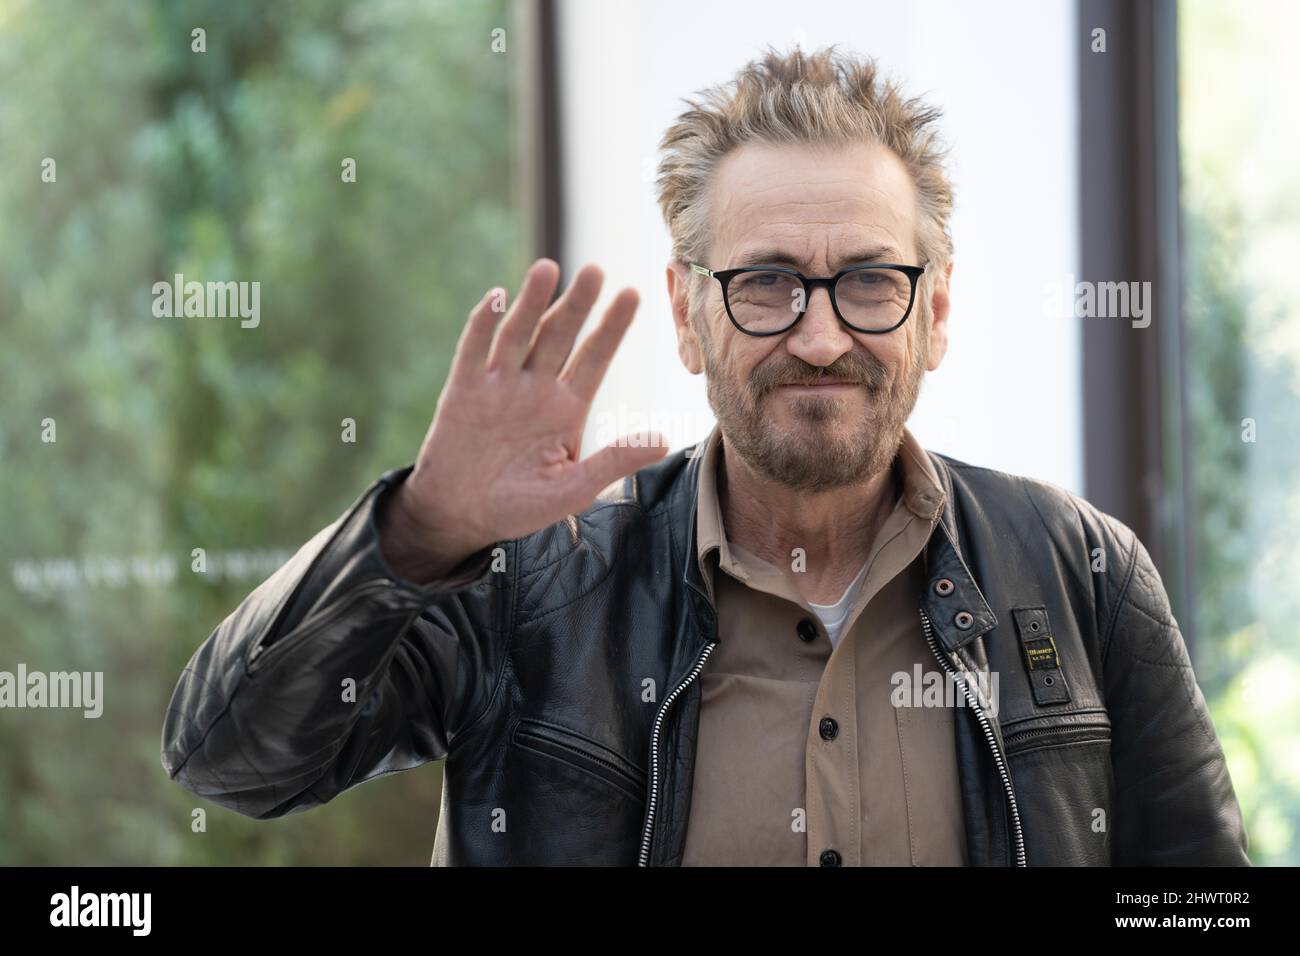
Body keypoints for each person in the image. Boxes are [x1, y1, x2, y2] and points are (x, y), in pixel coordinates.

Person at [161, 46, 1249, 866]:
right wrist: (420, 532)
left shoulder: (1083, 576)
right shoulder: (533, 576)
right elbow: (232, 756)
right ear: (686, 313)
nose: (820, 337)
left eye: (870, 280)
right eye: (765, 282)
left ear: (936, 310)